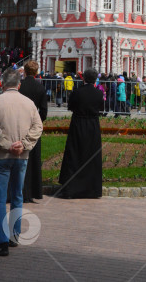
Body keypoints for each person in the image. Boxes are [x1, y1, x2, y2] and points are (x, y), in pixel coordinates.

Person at [0, 68, 43, 256]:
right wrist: (23, 144)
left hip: (1, 156)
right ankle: (14, 236)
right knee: (17, 196)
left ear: (2, 83)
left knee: (0, 199)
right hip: (21, 156)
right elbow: (38, 126)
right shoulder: (29, 103)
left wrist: (7, 144)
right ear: (19, 84)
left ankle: (1, 242)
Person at [58, 68, 104, 199]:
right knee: (91, 156)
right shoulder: (98, 93)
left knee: (74, 154)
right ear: (95, 79)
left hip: (78, 124)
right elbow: (101, 108)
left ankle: (71, 189)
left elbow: (71, 107)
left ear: (83, 78)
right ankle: (92, 190)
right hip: (93, 126)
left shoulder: (77, 92)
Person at [19, 60, 48, 202]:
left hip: (18, 124)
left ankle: (18, 190)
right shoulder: (40, 88)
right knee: (33, 159)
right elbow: (44, 110)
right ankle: (32, 191)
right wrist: (37, 122)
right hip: (32, 126)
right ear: (36, 72)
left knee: (18, 157)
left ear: (24, 71)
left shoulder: (19, 86)